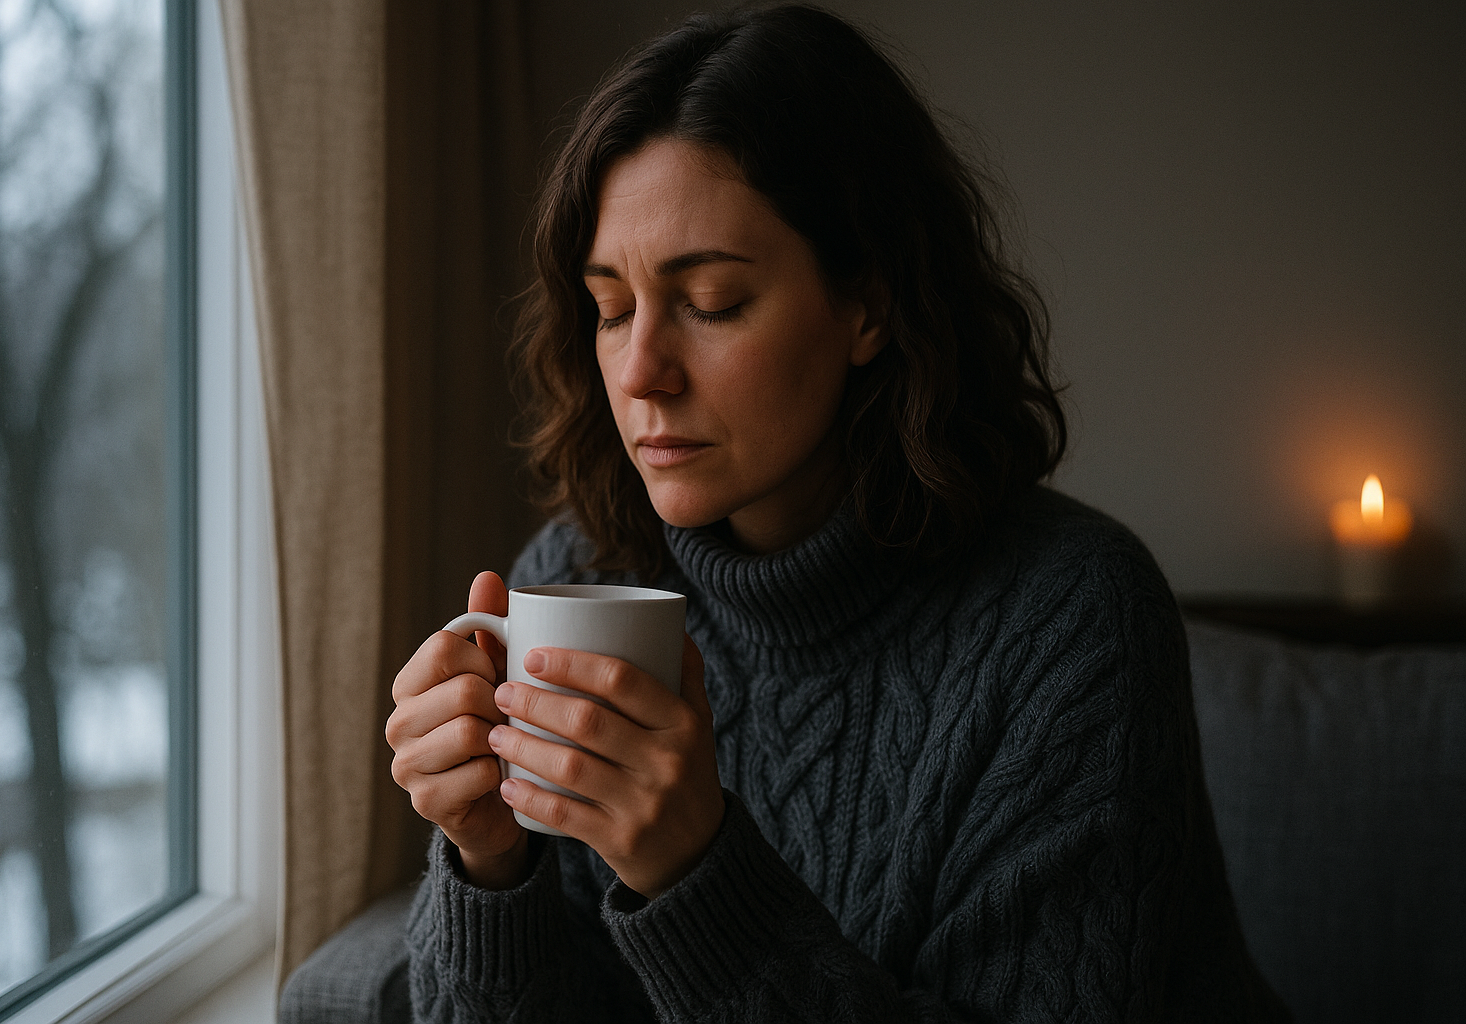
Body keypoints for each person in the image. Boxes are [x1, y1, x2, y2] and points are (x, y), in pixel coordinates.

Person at [385, 5, 1290, 1022]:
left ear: (870, 303)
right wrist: (489, 865)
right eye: (610, 307)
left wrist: (695, 872)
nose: (640, 370)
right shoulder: (581, 574)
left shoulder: (1075, 624)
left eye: (714, 300)